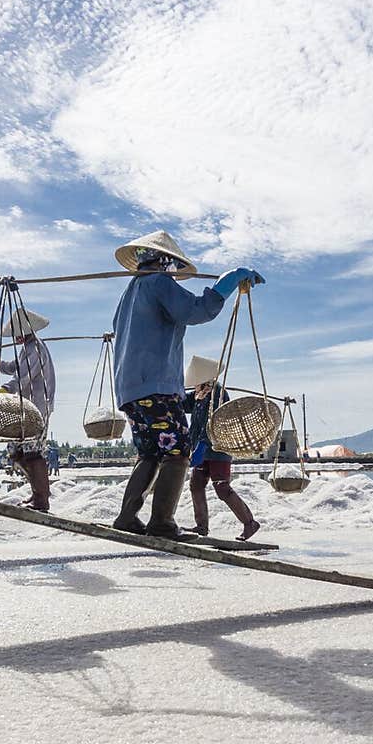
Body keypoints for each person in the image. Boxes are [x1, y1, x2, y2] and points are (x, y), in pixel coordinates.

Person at [111, 229, 264, 537]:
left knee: (150, 453)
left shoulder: (130, 292)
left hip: (130, 388)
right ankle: (162, 522)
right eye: (174, 267)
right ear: (166, 262)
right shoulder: (158, 283)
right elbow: (196, 311)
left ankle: (127, 517)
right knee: (178, 452)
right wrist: (227, 282)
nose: (175, 273)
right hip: (156, 385)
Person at [0, 307, 56, 512]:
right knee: (17, 454)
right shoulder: (27, 348)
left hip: (37, 408)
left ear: (26, 331)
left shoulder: (35, 348)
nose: (15, 338)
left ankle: (42, 500)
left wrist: (4, 390)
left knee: (34, 454)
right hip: (25, 408)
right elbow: (12, 368)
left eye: (18, 334)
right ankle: (37, 492)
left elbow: (23, 378)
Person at [184, 354, 260, 540]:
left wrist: (202, 443)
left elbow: (215, 422)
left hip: (217, 449)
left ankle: (250, 523)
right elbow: (183, 403)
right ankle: (201, 526)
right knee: (196, 485)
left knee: (222, 487)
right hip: (201, 449)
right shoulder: (198, 394)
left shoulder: (218, 393)